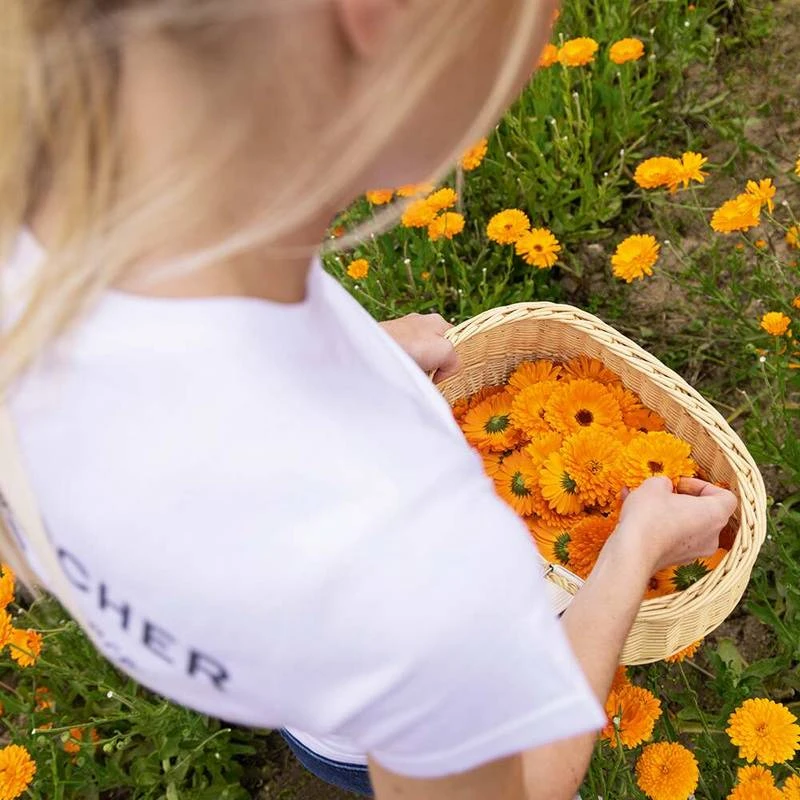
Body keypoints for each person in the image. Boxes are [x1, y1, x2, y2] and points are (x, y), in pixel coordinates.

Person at [0, 1, 737, 798]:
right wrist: (629, 553)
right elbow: (528, 783)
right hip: (386, 738)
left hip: (325, 698)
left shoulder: (42, 211)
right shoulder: (413, 555)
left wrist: (359, 353)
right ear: (387, 13)